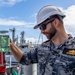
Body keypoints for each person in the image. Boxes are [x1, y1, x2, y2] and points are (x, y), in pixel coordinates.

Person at [10, 5, 75, 75]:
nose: (41, 31)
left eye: (43, 27)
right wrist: (11, 44)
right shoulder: (42, 48)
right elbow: (24, 59)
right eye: (40, 28)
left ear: (56, 22)